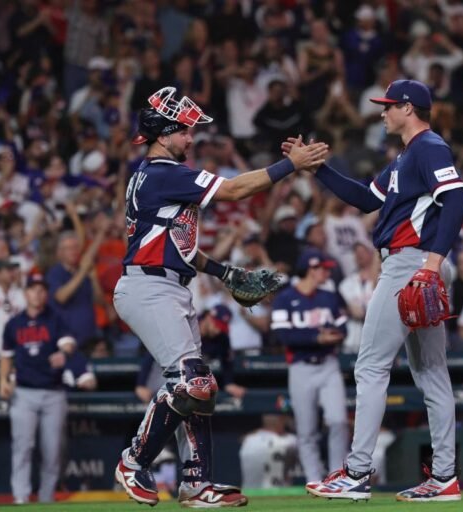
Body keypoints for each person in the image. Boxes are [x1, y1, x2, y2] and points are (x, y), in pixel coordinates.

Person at [112, 86, 327, 508]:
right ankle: (133, 461)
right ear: (163, 134)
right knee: (191, 382)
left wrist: (225, 273)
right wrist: (290, 165)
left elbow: (178, 246)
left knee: (201, 389)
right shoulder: (163, 172)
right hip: (149, 287)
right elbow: (234, 190)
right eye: (184, 131)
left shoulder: (155, 175)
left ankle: (197, 484)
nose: (190, 138)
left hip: (166, 284)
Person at [285, 79, 463, 502]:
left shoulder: (428, 147)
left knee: (370, 366)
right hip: (416, 264)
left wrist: (431, 266)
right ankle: (444, 476)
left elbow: (457, 201)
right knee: (431, 372)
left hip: (410, 263)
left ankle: (356, 472)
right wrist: (319, 170)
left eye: (389, 106)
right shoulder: (406, 155)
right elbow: (368, 198)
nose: (382, 112)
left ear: (409, 108)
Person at [0, 272, 79, 504]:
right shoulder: (14, 323)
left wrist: (63, 353)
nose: (37, 293)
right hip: (23, 392)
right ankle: (20, 498)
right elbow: (6, 355)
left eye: (41, 289)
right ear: (25, 293)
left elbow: (69, 343)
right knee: (22, 447)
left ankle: (46, 499)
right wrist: (3, 381)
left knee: (52, 451)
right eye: (33, 289)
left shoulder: (55, 319)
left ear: (46, 293)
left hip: (53, 392)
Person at [270, 249, 349, 484]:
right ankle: (314, 479)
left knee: (338, 420)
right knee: (306, 430)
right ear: (310, 269)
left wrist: (332, 336)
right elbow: (283, 336)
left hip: (328, 364)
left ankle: (337, 476)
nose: (327, 273)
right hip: (300, 367)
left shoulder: (329, 297)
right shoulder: (285, 298)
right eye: (323, 268)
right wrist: (316, 338)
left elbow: (343, 329)